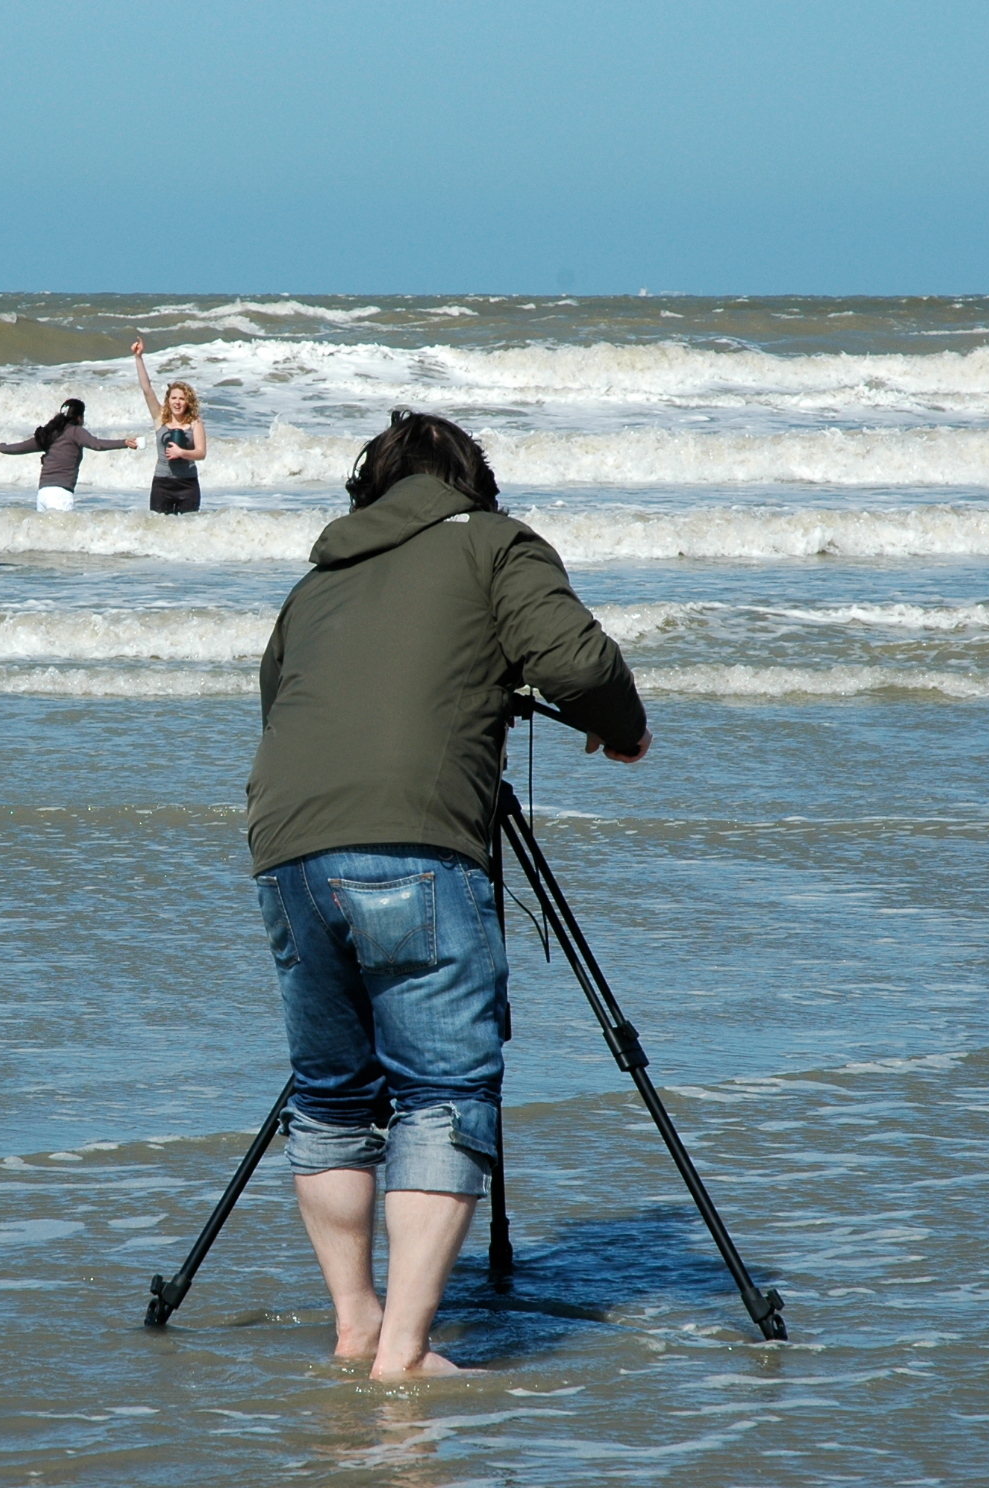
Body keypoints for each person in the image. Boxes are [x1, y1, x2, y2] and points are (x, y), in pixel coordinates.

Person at [245, 410, 651, 1380]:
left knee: (331, 1094)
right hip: (416, 837)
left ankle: (354, 1322)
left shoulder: (318, 582)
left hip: (288, 846)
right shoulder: (495, 545)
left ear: (368, 491)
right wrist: (620, 729)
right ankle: (405, 1354)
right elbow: (576, 663)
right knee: (441, 1090)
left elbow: (277, 702)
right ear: (474, 483)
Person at [0, 398, 139, 510]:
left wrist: (2, 447)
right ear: (79, 417)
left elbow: (21, 447)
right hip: (60, 495)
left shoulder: (50, 434)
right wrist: (124, 442)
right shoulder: (75, 431)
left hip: (43, 493)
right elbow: (97, 444)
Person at [132, 339, 206, 513]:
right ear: (168, 400)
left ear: (188, 402)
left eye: (181, 398)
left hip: (188, 484)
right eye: (174, 398)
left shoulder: (195, 422)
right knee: (158, 528)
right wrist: (138, 358)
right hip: (162, 483)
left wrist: (182, 453)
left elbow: (201, 453)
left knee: (187, 529)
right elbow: (147, 389)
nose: (177, 402)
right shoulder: (160, 418)